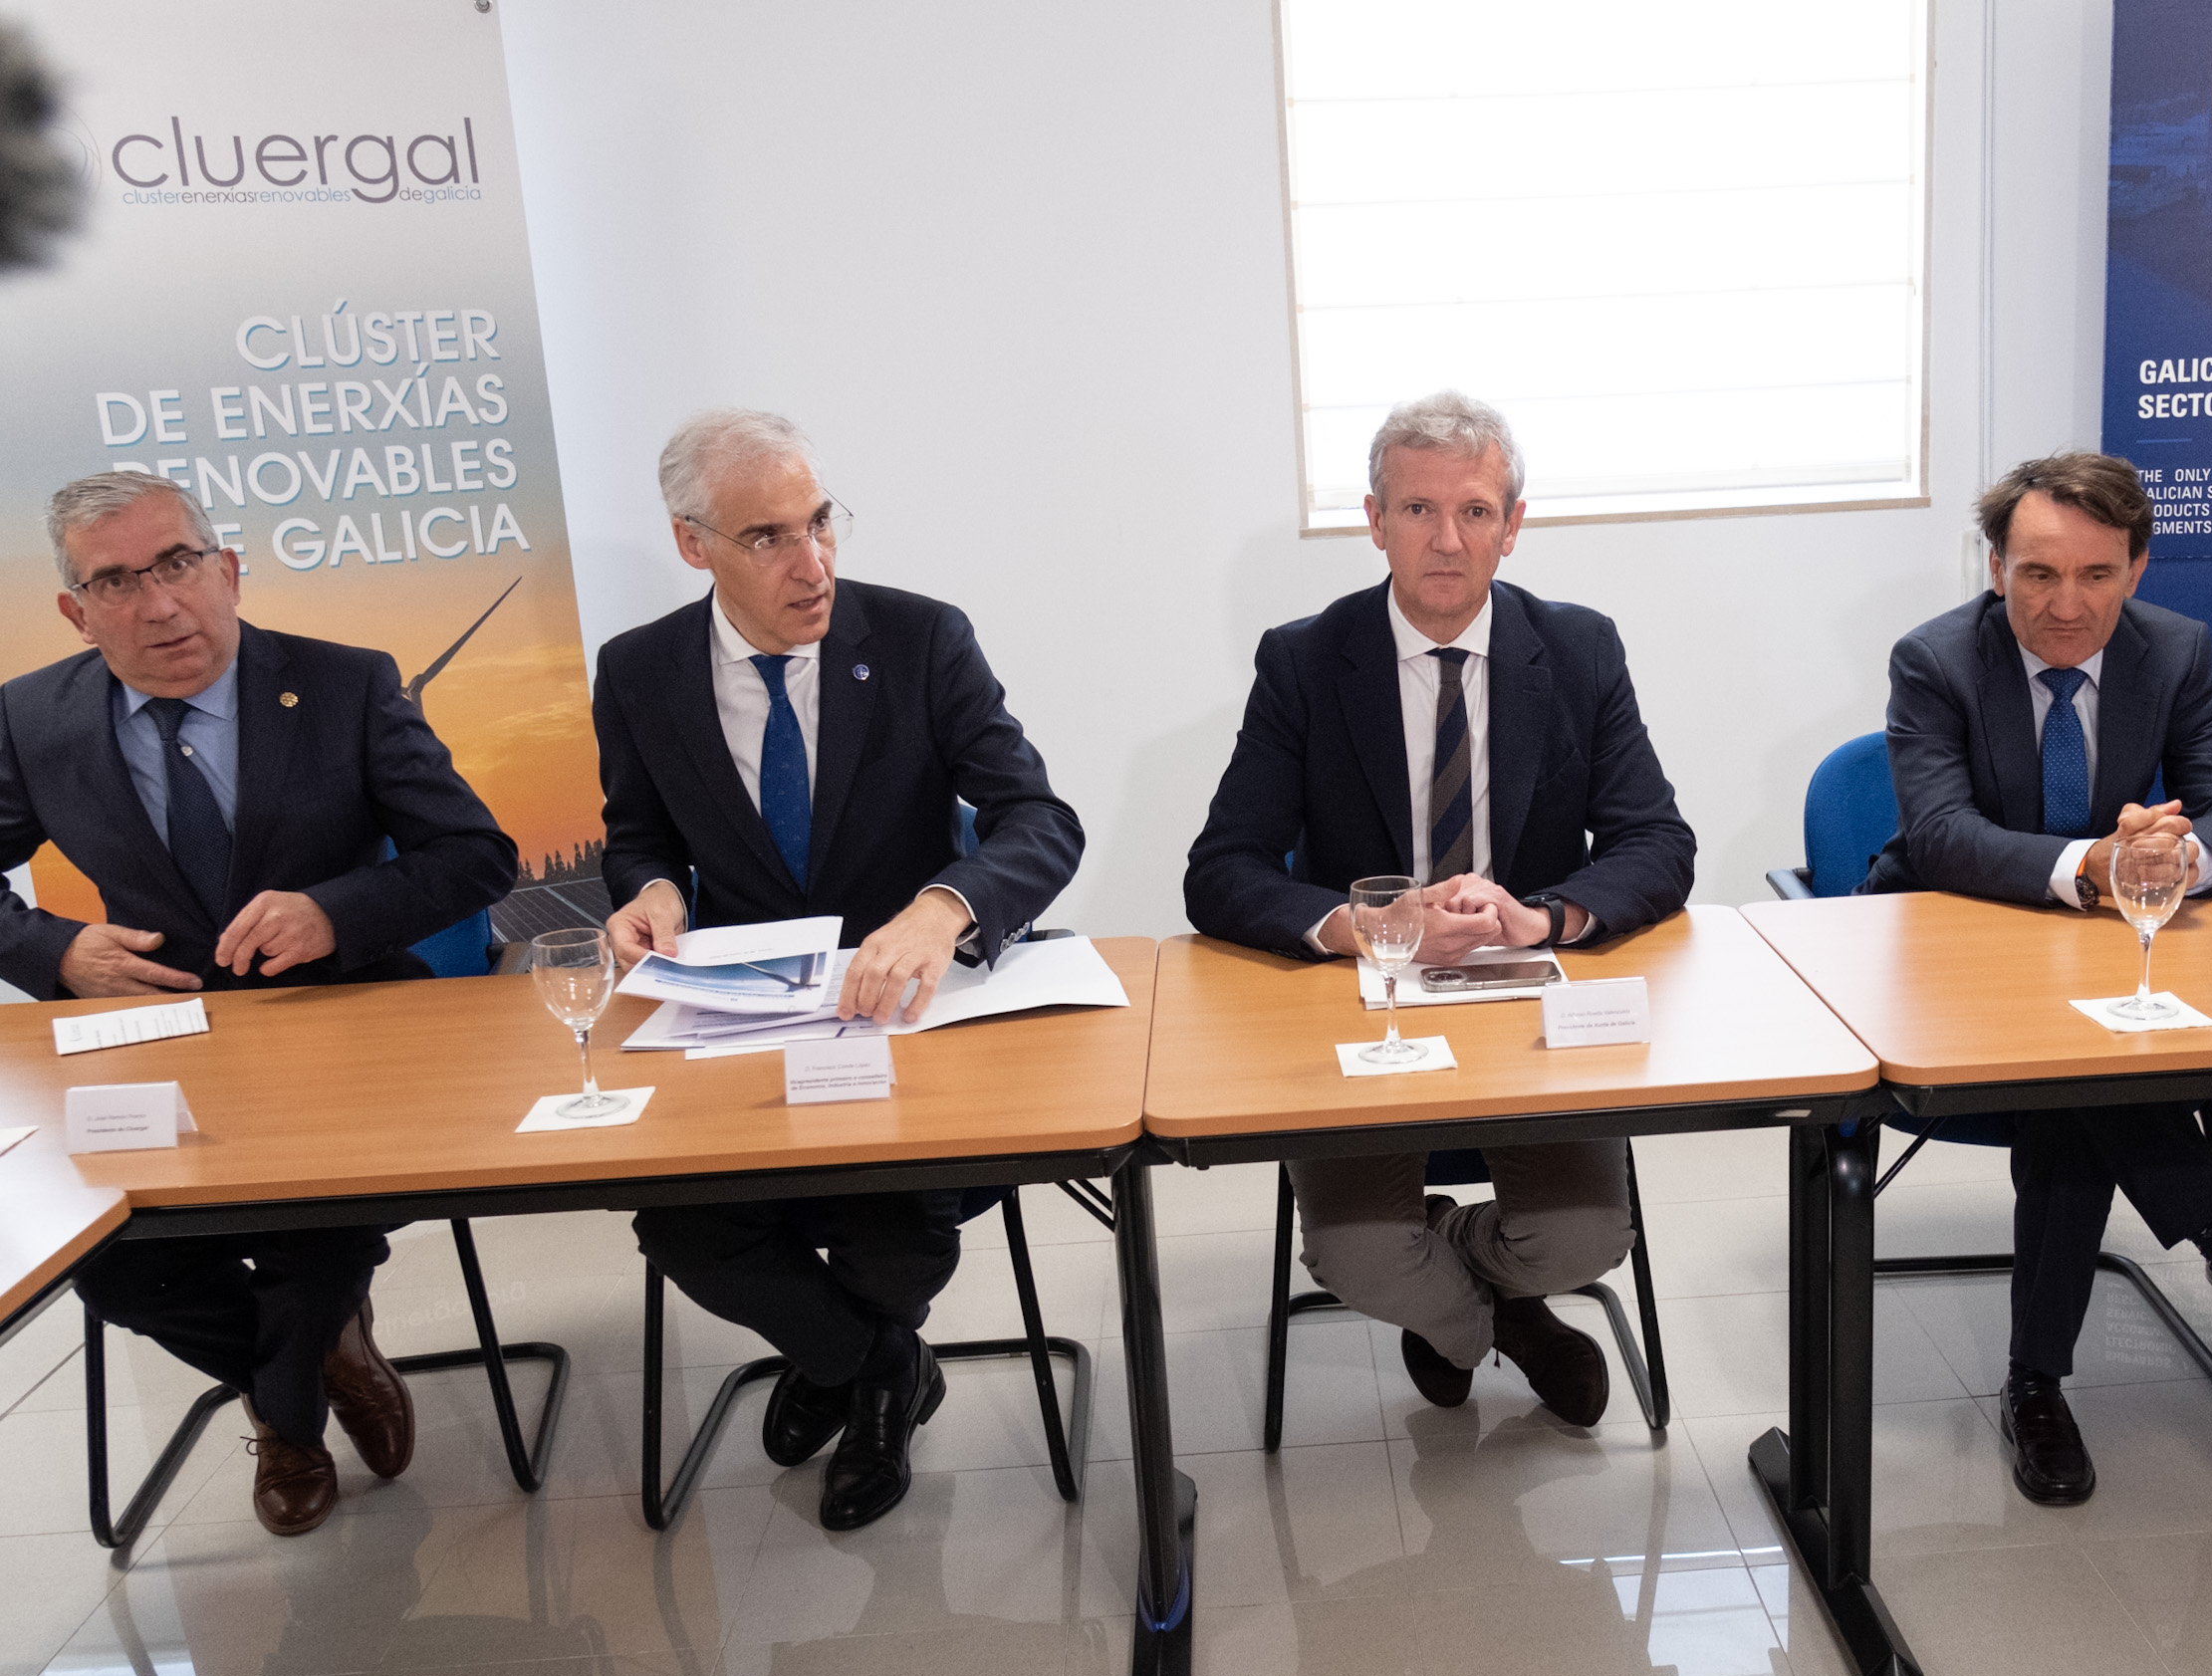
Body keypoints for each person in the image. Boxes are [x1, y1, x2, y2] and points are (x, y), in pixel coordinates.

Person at [0, 470, 518, 1535]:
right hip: (160, 1047)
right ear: (76, 610)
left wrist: (335, 911)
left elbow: (476, 856)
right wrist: (56, 949)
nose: (160, 604)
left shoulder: (346, 685)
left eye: (178, 564)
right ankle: (322, 1358)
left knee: (313, 1232)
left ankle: (284, 1424)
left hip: (346, 1030)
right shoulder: (30, 718)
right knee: (115, 1270)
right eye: (116, 582)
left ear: (228, 571)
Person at [595, 409, 1084, 1532]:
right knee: (682, 1227)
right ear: (692, 544)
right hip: (739, 1024)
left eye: (819, 523)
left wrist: (943, 907)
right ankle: (876, 1368)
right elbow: (637, 836)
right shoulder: (640, 671)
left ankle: (841, 1365)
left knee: (898, 1228)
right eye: (768, 537)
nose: (811, 563)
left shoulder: (919, 639)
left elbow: (1038, 818)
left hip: (898, 1021)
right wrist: (654, 892)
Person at [1867, 451, 2212, 1506]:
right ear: (1995, 567)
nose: (2066, 605)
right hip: (1951, 944)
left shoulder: (2174, 649)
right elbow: (1942, 834)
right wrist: (2091, 865)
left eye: (2096, 574)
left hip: (2102, 946)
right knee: (2083, 1076)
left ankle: (2037, 1382)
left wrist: (2175, 858)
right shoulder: (1934, 660)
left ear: (2137, 570)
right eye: (2038, 574)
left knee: (2077, 1086)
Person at [1185, 390, 1695, 1427]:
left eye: (1474, 511)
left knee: (1587, 1239)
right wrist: (1360, 925)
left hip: (1527, 1001)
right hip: (1366, 1006)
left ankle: (1455, 1272)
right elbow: (1221, 868)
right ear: (1375, 522)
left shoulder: (1579, 649)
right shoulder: (1305, 661)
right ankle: (1504, 1323)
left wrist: (1544, 917)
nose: (1447, 540)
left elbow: (1656, 841)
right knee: (1359, 1256)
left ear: (1513, 525)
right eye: (1418, 510)